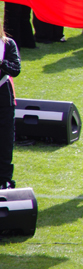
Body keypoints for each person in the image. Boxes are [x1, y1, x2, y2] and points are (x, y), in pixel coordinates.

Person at [0, 24, 21, 190]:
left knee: (5, 141)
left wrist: (1, 62)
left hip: (4, 99)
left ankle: (5, 179)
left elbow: (15, 69)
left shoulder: (7, 44)